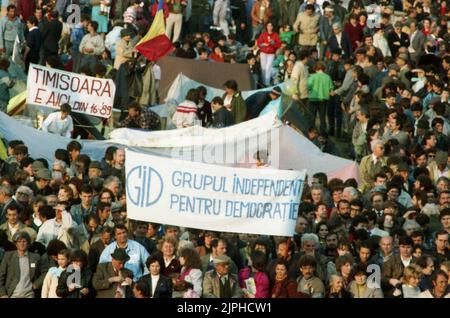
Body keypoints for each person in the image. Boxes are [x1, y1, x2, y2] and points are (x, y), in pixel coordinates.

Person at [0, 232, 41, 298]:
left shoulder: (35, 257)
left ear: (28, 243)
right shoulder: (8, 256)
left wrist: (36, 284)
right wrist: (2, 293)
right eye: (19, 241)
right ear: (15, 244)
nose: (22, 244)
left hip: (29, 294)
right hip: (11, 294)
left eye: (24, 241)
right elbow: (1, 276)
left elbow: (45, 271)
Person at [307, 61, 333, 134]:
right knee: (322, 117)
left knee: (312, 117)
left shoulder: (312, 76)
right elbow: (331, 89)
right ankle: (322, 133)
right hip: (323, 99)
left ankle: (311, 132)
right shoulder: (328, 77)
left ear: (315, 69)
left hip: (313, 99)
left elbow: (308, 87)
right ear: (324, 69)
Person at [257, 22, 281, 87]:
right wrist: (263, 44)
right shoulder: (263, 34)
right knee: (263, 68)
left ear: (273, 27)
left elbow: (279, 44)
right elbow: (259, 43)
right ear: (266, 27)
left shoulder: (275, 35)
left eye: (271, 26)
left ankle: (266, 83)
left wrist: (273, 43)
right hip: (263, 52)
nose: (270, 27)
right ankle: (262, 82)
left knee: (268, 68)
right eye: (268, 26)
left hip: (271, 53)